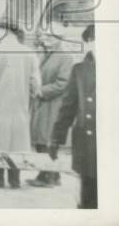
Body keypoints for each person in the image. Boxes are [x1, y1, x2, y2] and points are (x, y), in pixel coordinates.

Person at [0, 21, 41, 188]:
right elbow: (35, 83)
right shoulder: (29, 53)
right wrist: (32, 96)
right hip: (20, 105)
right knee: (16, 142)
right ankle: (14, 180)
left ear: (5, 32)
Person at [49, 23, 97, 208]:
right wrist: (56, 138)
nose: (93, 44)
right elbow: (68, 107)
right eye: (91, 40)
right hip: (87, 146)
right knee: (88, 199)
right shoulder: (79, 69)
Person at [27, 31, 74, 187]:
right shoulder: (43, 54)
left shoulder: (65, 57)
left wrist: (42, 91)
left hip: (53, 104)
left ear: (60, 38)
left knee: (48, 140)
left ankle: (50, 177)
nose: (46, 38)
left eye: (51, 36)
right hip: (42, 103)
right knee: (41, 140)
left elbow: (63, 83)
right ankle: (48, 174)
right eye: (45, 35)